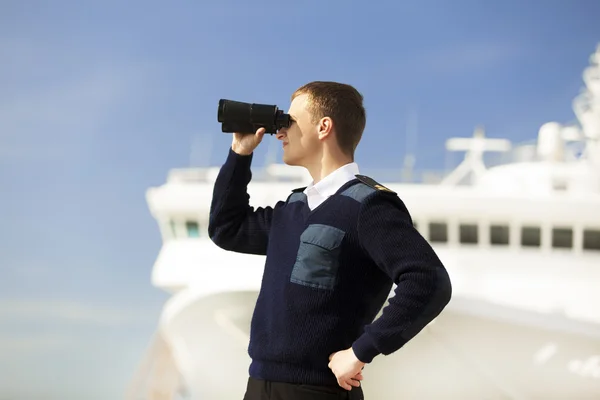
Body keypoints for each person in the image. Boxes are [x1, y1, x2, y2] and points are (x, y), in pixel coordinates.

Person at [208, 81, 452, 400]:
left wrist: (361, 351)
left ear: (324, 127)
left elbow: (428, 280)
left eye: (289, 121)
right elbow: (227, 227)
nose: (279, 132)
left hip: (318, 391)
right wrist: (240, 154)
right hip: (259, 386)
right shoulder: (293, 209)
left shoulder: (368, 206)